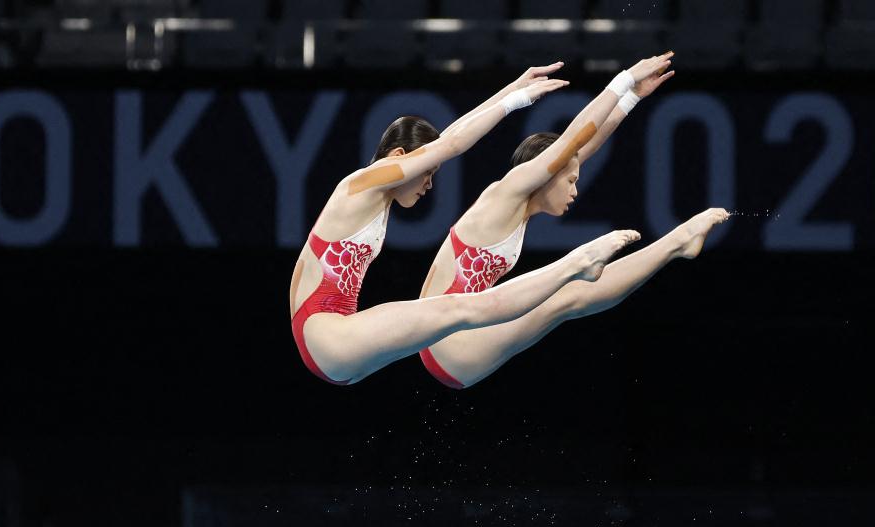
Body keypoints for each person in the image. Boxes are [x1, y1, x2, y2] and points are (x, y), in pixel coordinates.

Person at [290, 62, 642, 386]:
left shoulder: (375, 196)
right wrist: (516, 101)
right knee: (460, 307)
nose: (429, 184)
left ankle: (574, 269)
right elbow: (453, 144)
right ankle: (577, 262)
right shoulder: (366, 182)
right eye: (426, 172)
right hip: (324, 329)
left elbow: (451, 135)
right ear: (399, 157)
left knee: (458, 313)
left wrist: (512, 89)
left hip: (337, 342)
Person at [414, 53, 730, 389]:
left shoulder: (520, 205)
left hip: (458, 337)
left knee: (566, 292)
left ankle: (677, 244)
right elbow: (572, 141)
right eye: (570, 181)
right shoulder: (503, 194)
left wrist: (632, 97)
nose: (575, 190)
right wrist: (624, 79)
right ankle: (676, 243)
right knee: (566, 293)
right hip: (448, 343)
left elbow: (580, 148)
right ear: (546, 174)